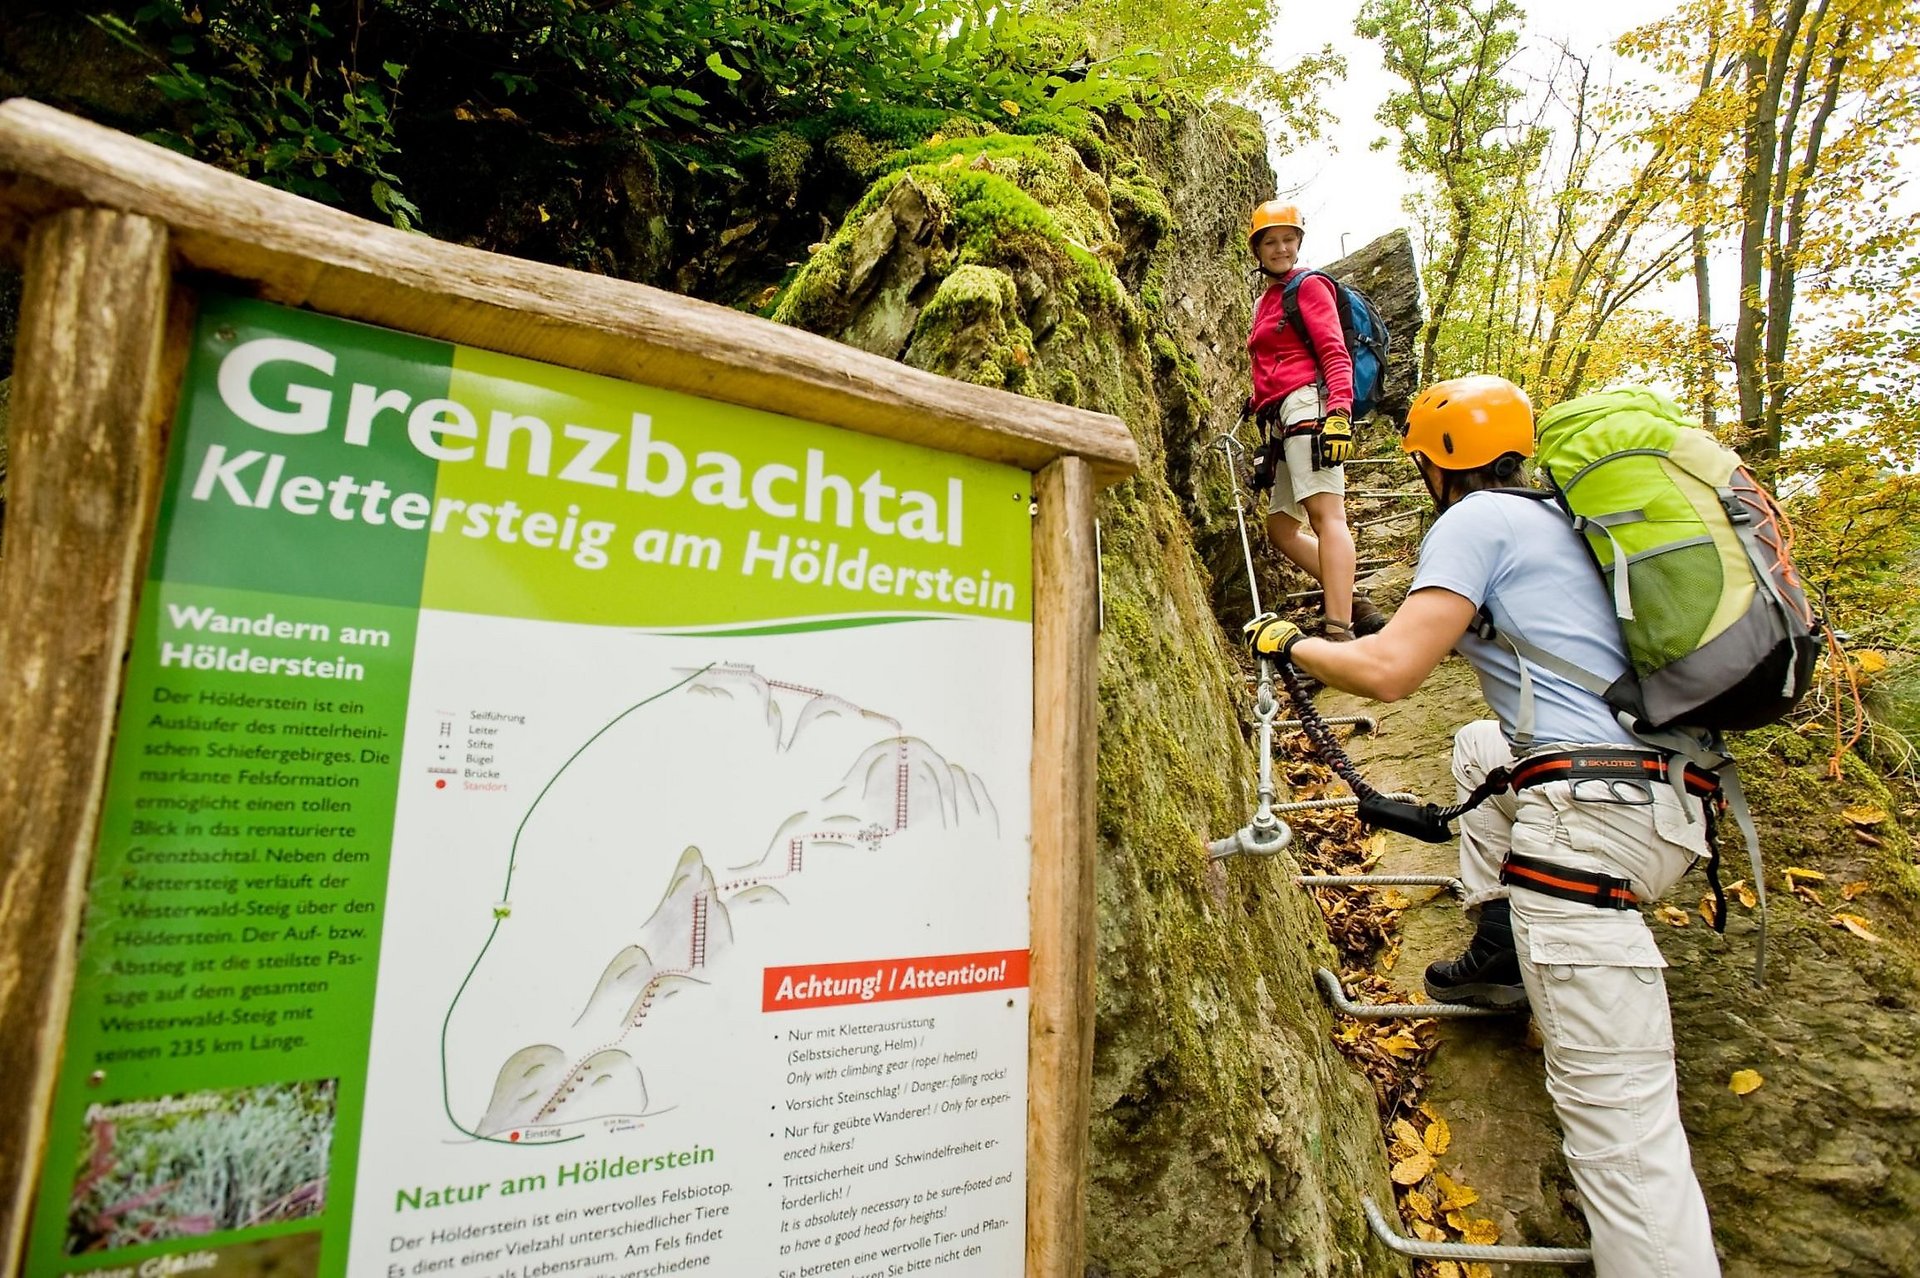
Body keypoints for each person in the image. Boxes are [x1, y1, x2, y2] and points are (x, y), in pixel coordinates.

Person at [1243, 374, 1721, 1277]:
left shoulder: (1472, 522)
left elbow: (1389, 671)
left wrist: (1285, 642)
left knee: (1624, 1139)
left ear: (1434, 464)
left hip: (1587, 829)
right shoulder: (1561, 522)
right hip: (1663, 801)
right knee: (1475, 748)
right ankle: (1503, 951)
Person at [1243, 200, 1385, 639]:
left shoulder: (1307, 287)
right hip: (1285, 415)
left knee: (1327, 518)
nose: (1280, 248)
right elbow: (1280, 361)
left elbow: (1333, 352)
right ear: (1258, 249)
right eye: (1271, 241)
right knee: (1282, 528)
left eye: (1288, 239)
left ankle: (1338, 629)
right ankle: (1350, 598)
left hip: (1311, 408)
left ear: (1299, 242)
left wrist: (1339, 414)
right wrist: (1257, 399)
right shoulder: (1267, 300)